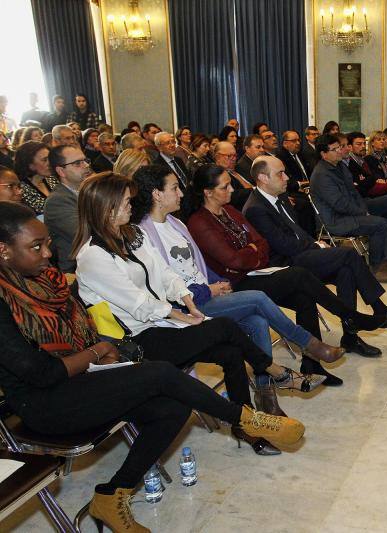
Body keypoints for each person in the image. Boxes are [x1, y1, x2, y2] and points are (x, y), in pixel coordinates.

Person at [0, 201, 304, 532]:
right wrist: (98, 350)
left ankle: (111, 495)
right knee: (159, 372)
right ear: (3, 251)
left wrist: (103, 351)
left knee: (172, 408)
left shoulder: (46, 281)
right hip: (44, 403)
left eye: (46, 243)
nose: (48, 253)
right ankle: (248, 420)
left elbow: (83, 327)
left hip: (82, 377)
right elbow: (41, 373)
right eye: (36, 246)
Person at [73, 174, 309, 447]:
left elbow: (164, 273)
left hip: (163, 325)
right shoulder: (92, 256)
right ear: (107, 206)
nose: (131, 205)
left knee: (232, 352)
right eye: (126, 201)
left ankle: (246, 425)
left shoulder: (133, 234)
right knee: (224, 327)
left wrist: (186, 299)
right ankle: (276, 373)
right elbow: (138, 303)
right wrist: (180, 315)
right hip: (137, 340)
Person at [186, 164, 387, 386]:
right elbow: (233, 261)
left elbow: (261, 244)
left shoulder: (230, 211)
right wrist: (251, 252)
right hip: (235, 286)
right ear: (208, 192)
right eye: (225, 187)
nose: (232, 190)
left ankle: (312, 365)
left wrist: (251, 253)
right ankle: (351, 316)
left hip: (257, 273)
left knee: (304, 296)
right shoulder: (200, 222)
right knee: (299, 276)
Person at [131, 163, 344, 370]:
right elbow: (163, 284)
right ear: (156, 194)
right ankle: (309, 344)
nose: (181, 194)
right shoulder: (145, 234)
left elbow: (198, 266)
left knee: (258, 322)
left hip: (207, 292)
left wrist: (217, 283)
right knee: (260, 296)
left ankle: (265, 390)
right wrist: (208, 289)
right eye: (174, 188)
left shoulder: (175, 224)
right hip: (190, 305)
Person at [244, 155, 387, 356]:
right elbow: (284, 246)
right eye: (280, 173)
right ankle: (381, 311)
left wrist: (315, 243)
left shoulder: (279, 196)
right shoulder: (256, 208)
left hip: (301, 255)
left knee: (346, 271)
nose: (286, 177)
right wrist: (316, 247)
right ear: (263, 178)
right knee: (349, 255)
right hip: (284, 266)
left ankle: (351, 337)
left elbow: (297, 232)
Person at [310, 134, 387, 282]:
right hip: (335, 220)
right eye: (334, 149)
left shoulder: (339, 166)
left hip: (348, 214)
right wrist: (363, 213)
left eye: (339, 147)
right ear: (323, 154)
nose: (339, 151)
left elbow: (354, 193)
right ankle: (378, 269)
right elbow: (339, 204)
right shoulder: (321, 175)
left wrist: (364, 210)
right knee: (380, 225)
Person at [43, 145, 92, 272]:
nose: (86, 165)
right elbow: (86, 235)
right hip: (77, 268)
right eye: (77, 163)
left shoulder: (89, 190)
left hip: (99, 257)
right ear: (61, 171)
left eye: (86, 160)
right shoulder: (57, 201)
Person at [13, 141, 59, 215]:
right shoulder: (21, 189)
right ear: (30, 164)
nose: (50, 163)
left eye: (50, 158)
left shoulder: (52, 179)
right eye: (44, 160)